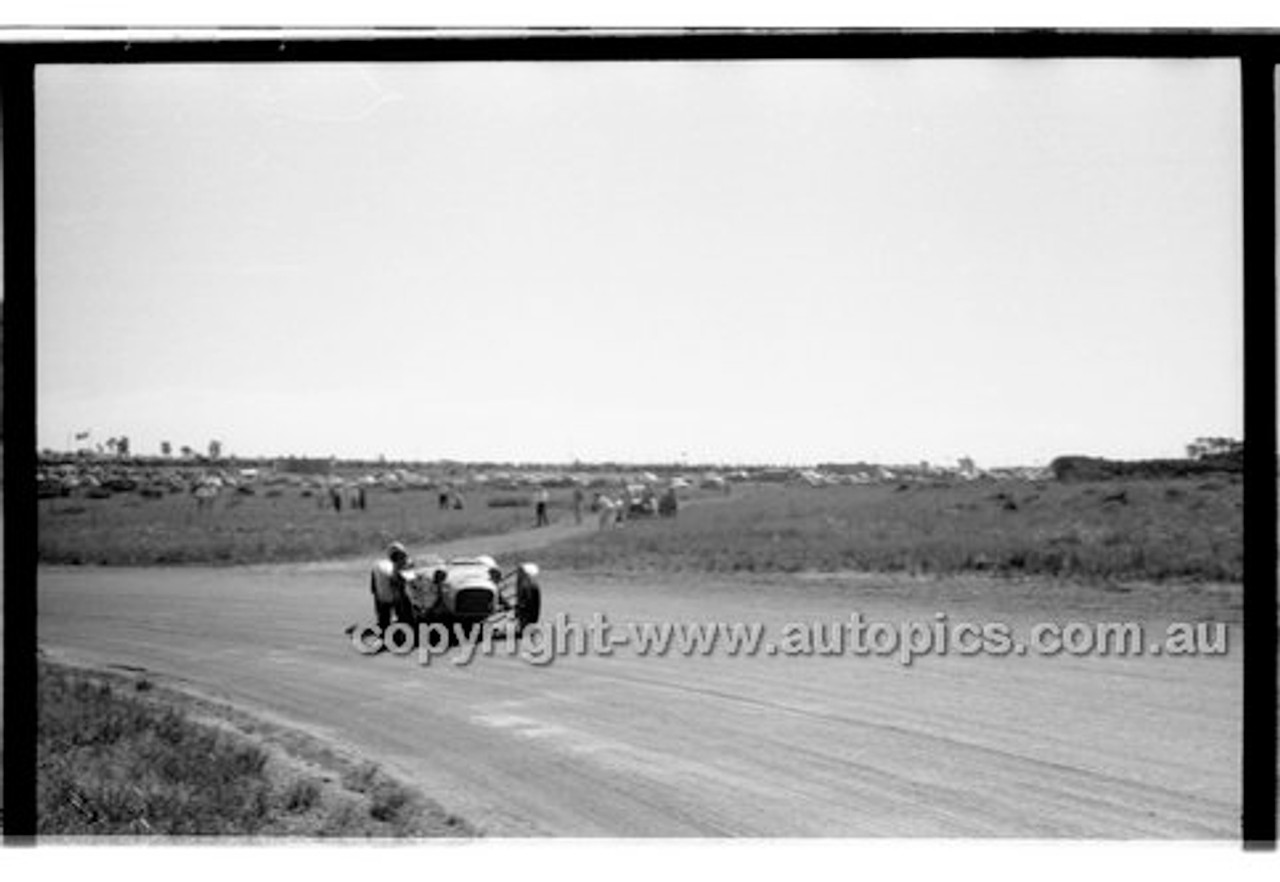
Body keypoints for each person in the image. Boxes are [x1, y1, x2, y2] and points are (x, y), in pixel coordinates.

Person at [370, 541, 414, 633]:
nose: (399, 558)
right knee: (385, 618)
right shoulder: (386, 568)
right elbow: (388, 581)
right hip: (389, 594)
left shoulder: (410, 563)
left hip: (408, 591)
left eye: (401, 555)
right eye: (396, 556)